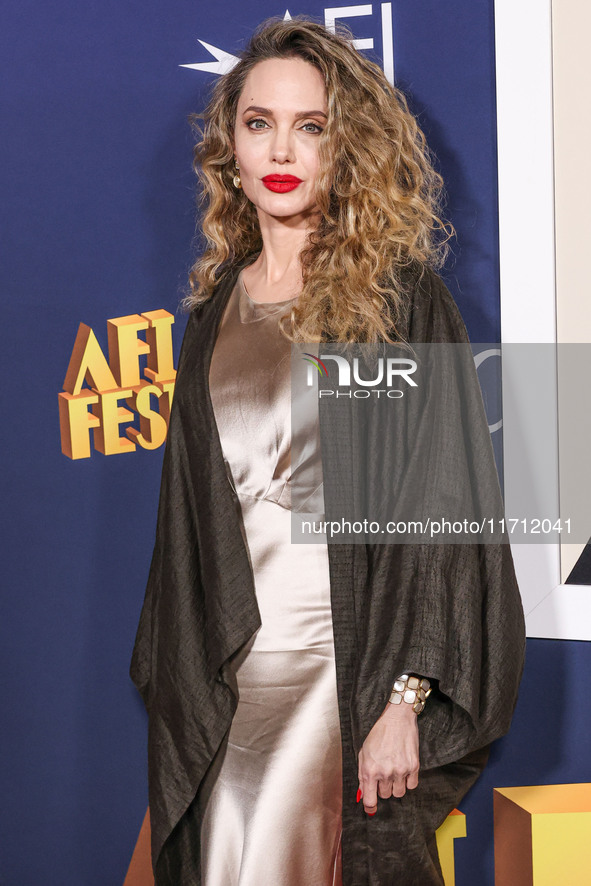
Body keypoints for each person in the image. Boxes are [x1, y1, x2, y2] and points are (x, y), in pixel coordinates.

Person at [129, 16, 526, 886]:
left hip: (341, 676)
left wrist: (405, 699)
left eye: (311, 126)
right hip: (227, 678)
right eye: (259, 122)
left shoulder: (395, 303)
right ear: (227, 145)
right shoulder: (213, 313)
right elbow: (194, 533)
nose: (282, 148)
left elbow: (442, 505)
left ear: (344, 147)